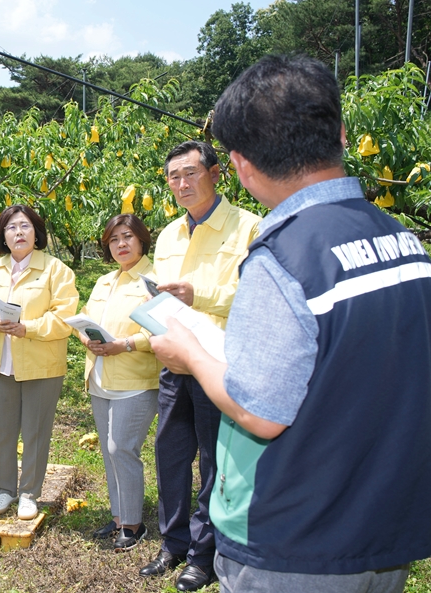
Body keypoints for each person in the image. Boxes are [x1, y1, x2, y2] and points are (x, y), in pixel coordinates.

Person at [151, 54, 431, 593]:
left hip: (298, 541)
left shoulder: (284, 257)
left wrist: (190, 353)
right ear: (342, 134)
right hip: (384, 523)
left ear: (238, 166)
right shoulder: (404, 240)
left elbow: (260, 411)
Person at [141, 141, 261, 591]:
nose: (182, 184)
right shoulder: (171, 233)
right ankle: (172, 543)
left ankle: (205, 553)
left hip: (219, 362)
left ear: (215, 173)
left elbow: (257, 296)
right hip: (175, 362)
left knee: (215, 462)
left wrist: (200, 296)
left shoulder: (248, 227)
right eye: (173, 177)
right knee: (170, 452)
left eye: (190, 173)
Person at [0, 205, 78, 521]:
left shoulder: (55, 270)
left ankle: (29, 493)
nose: (19, 232)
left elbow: (64, 318)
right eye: (11, 227)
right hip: (2, 362)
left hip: (40, 365)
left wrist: (26, 327)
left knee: (35, 431)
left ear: (37, 232)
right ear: (2, 235)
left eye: (25, 226)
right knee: (3, 430)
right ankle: (4, 489)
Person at [77, 214, 160, 551]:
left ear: (141, 240)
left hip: (136, 379)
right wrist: (87, 340)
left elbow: (160, 329)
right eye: (114, 240)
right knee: (110, 453)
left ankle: (134, 524)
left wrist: (123, 344)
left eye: (127, 237)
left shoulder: (154, 280)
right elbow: (86, 320)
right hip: (100, 378)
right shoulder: (104, 281)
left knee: (121, 448)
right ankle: (117, 517)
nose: (121, 245)